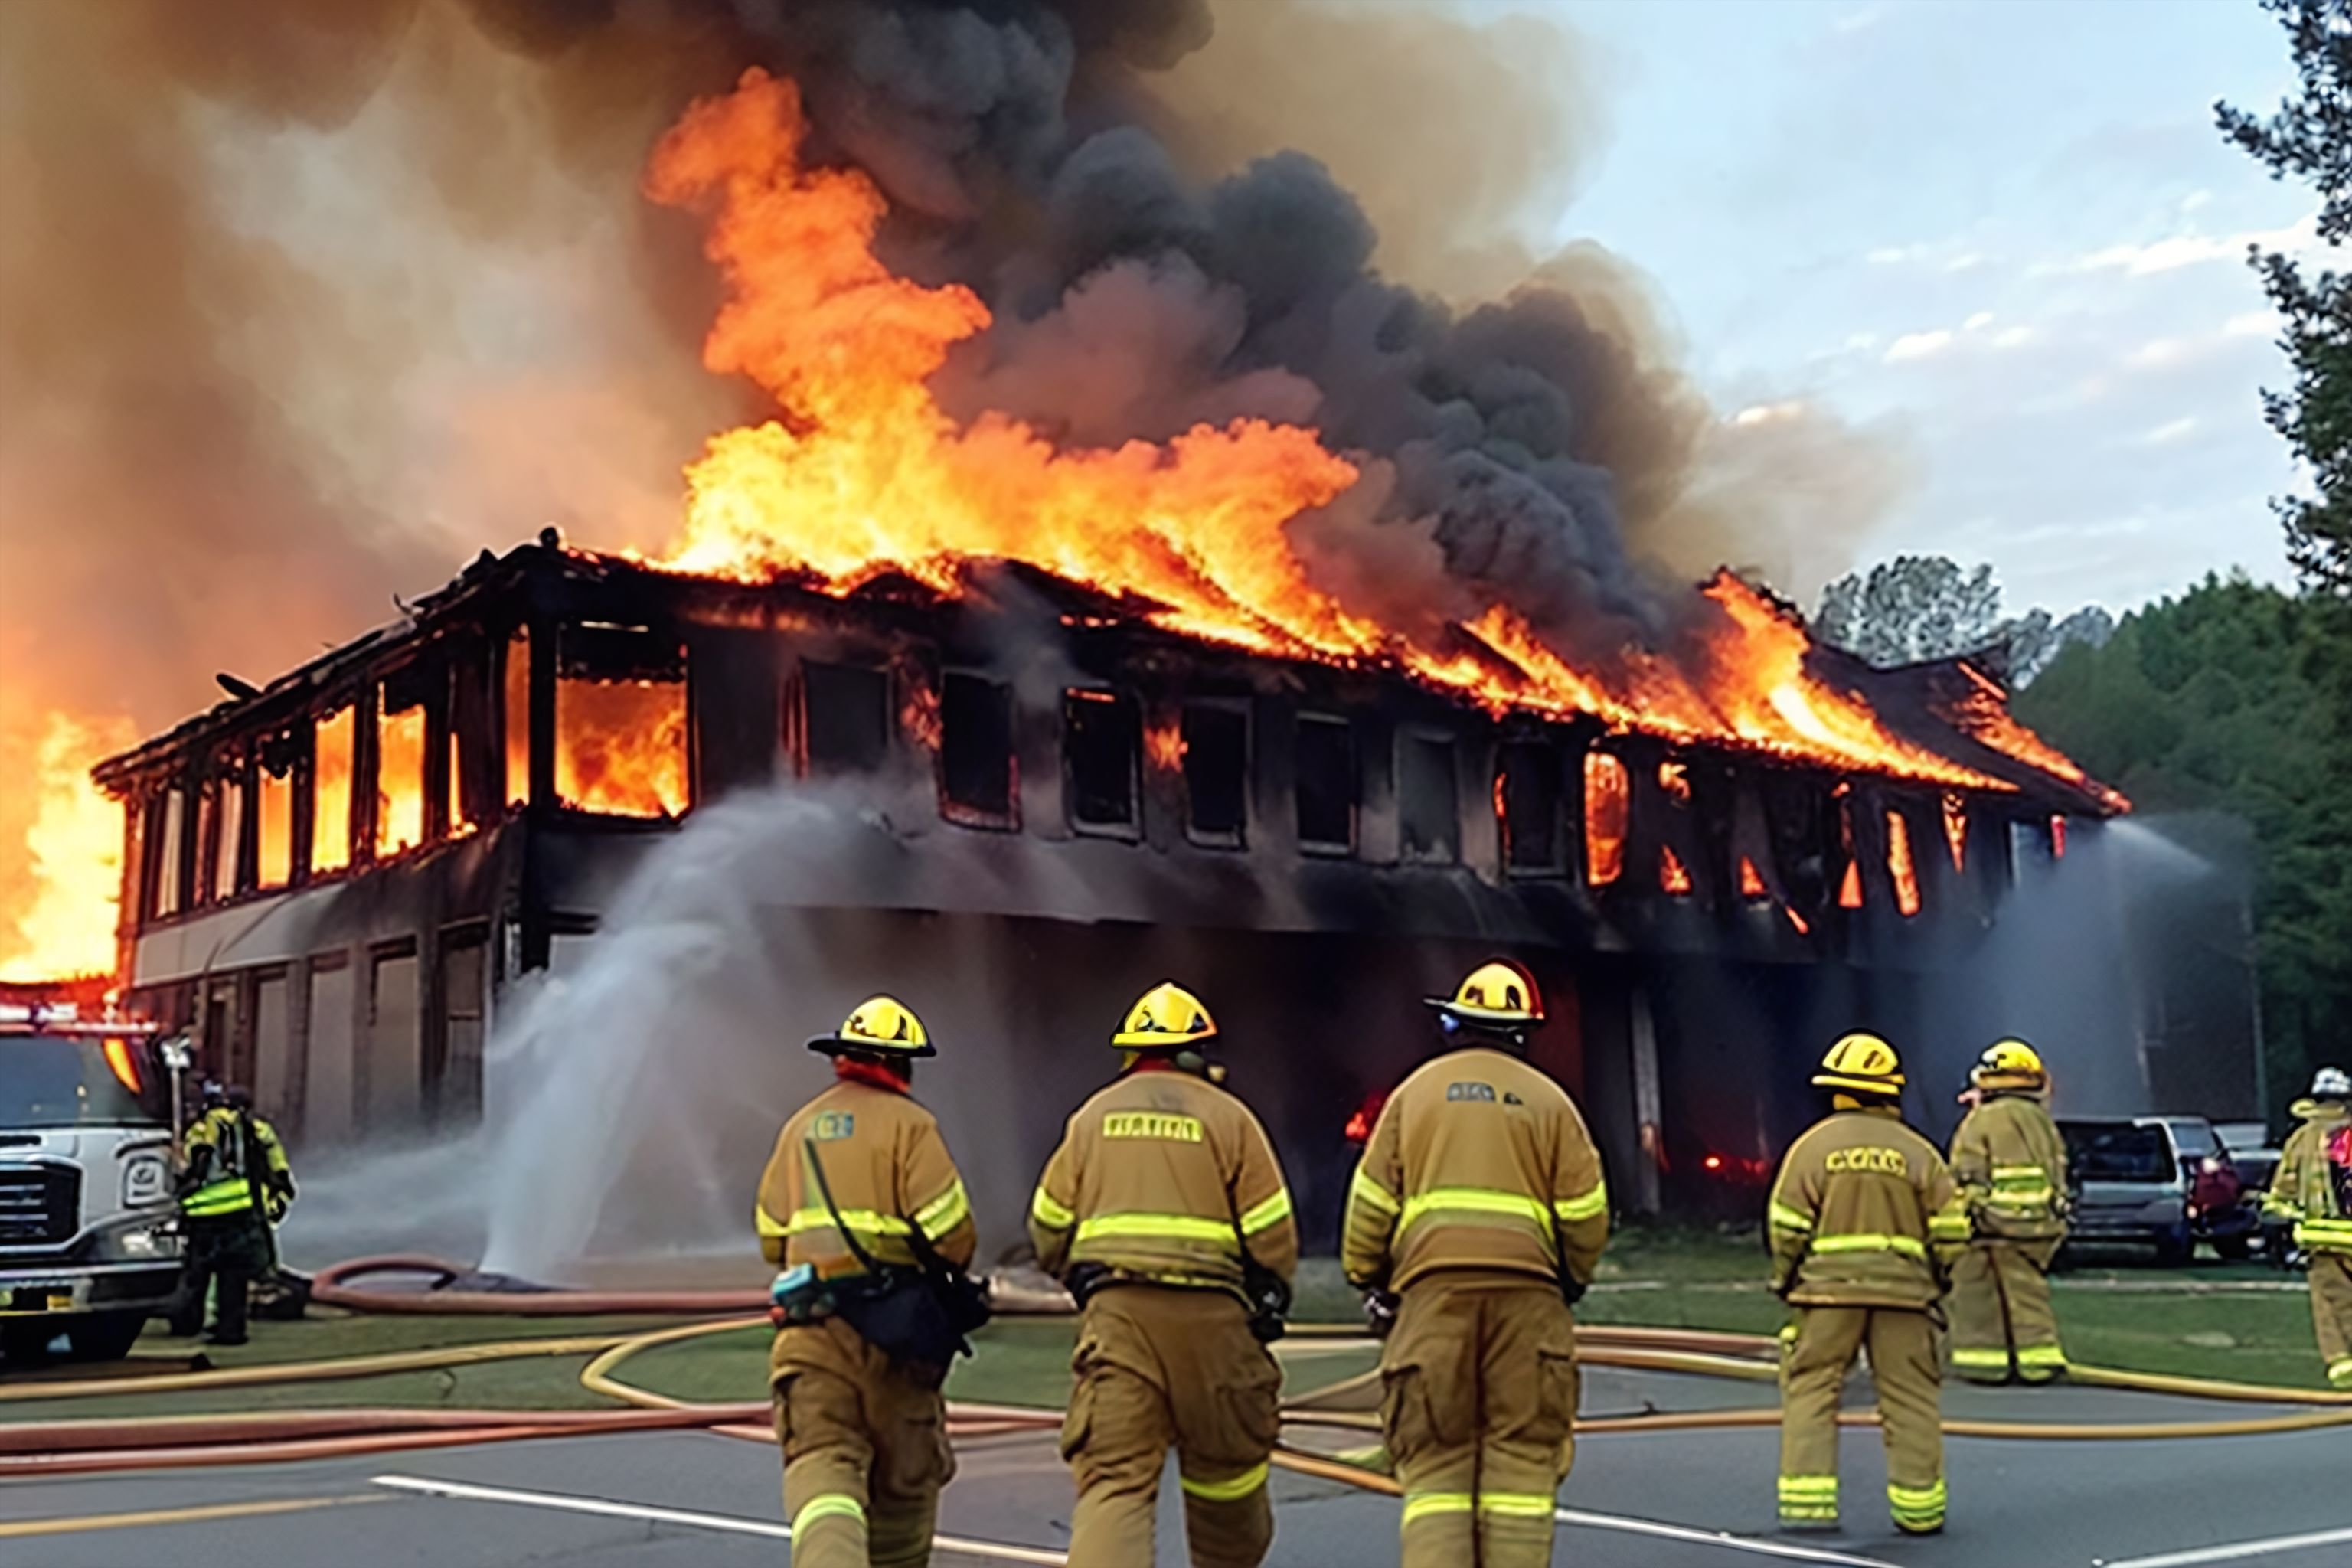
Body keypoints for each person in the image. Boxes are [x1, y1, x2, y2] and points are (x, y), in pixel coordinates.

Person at [1340, 959, 1609, 1568]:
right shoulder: (1552, 1104)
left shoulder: (1414, 1095)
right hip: (1529, 1306)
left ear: (1457, 1024)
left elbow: (1372, 1204)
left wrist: (1370, 1278)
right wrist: (1570, 1276)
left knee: (1435, 1470)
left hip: (1432, 1303)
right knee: (1522, 1467)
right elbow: (1587, 1214)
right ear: (1524, 1033)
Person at [1028, 981, 1298, 1568]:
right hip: (1217, 1327)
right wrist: (1271, 1294)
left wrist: (1071, 1275)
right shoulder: (1232, 1119)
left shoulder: (1092, 1117)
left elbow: (1048, 1224)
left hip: (1120, 1322)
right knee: (1227, 1487)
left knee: (1114, 1485)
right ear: (1199, 1053)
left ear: (1131, 1054)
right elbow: (1273, 1236)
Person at [757, 996, 980, 1568]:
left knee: (824, 1473)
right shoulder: (913, 1126)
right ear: (902, 1065)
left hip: (811, 1338)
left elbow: (771, 1237)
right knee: (903, 1492)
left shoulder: (799, 1127)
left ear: (843, 1057)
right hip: (896, 1345)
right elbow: (953, 1238)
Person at [1766, 1032, 1970, 1537]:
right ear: (1890, 1092)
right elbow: (1952, 1231)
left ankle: (1808, 1506)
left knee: (1812, 1387)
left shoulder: (1811, 1149)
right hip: (1905, 1298)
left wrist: (1786, 1279)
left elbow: (1787, 1226)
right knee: (1911, 1399)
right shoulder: (1919, 1153)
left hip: (1828, 1296)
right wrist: (1937, 1280)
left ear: (1838, 1091)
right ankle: (1920, 1512)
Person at [1946, 1039, 2070, 1384]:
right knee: (2028, 1297)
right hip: (2041, 1229)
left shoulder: (1981, 1122)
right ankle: (2038, 1363)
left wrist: (1967, 1216)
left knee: (1979, 1298)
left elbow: (1967, 1175)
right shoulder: (2042, 1122)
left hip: (1993, 1229)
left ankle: (1986, 1367)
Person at [171, 1083, 294, 1347]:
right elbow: (279, 1168)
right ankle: (231, 1330)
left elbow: (195, 1162)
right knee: (233, 1275)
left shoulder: (205, 1127)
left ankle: (187, 1324)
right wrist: (278, 1198)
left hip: (204, 1212)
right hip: (242, 1209)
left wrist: (181, 1187)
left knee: (196, 1272)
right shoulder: (258, 1129)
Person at [2262, 1066, 2352, 1390]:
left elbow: (2282, 1190)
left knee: (2331, 1304)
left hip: (2321, 1240)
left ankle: (2342, 1365)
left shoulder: (2302, 1138)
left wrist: (2279, 1214)